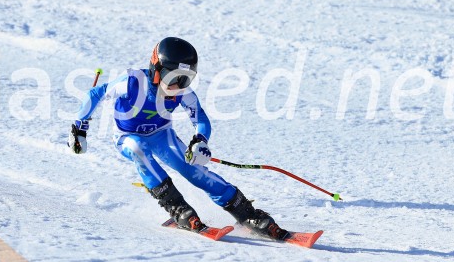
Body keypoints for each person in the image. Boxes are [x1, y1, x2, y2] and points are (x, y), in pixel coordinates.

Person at [67, 37, 288, 239]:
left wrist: (200, 140)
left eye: (186, 79)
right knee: (138, 148)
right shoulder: (132, 82)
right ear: (156, 70)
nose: (178, 85)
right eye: (173, 77)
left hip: (162, 136)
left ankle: (247, 214)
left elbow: (200, 117)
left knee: (194, 170)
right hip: (127, 136)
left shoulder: (182, 92)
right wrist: (79, 128)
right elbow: (95, 94)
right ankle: (177, 207)